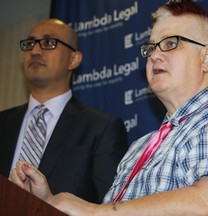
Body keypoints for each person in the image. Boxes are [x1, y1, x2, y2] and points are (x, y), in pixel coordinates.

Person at [10, 1, 208, 215]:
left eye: (170, 44)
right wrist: (47, 204)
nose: (154, 54)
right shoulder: (140, 148)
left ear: (206, 58)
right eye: (151, 47)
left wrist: (92, 210)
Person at [1, 18, 128, 204]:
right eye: (29, 44)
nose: (35, 51)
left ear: (74, 59)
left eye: (48, 43)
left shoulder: (101, 128)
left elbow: (110, 206)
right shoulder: (3, 123)